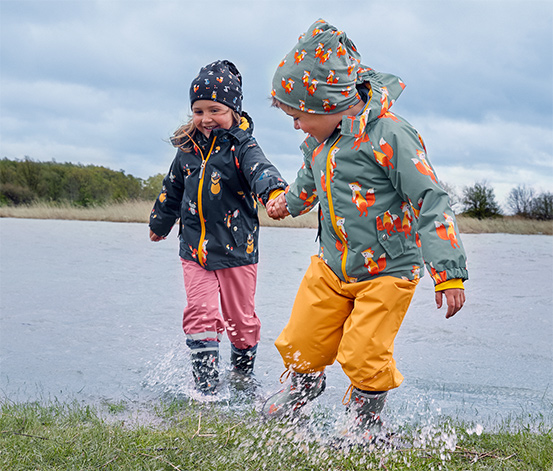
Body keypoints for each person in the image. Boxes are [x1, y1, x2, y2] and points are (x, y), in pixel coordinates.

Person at [264, 20, 468, 440]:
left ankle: (366, 422)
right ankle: (303, 389)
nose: (297, 126)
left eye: (299, 117)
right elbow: (311, 177)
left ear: (328, 105)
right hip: (333, 263)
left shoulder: (391, 135)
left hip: (388, 269)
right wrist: (290, 201)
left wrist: (447, 271)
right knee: (302, 338)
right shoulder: (322, 141)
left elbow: (430, 199)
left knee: (363, 351)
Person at [149, 60, 287, 395]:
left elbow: (261, 171)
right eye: (198, 111)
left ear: (234, 110)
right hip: (194, 251)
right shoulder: (186, 150)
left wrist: (274, 192)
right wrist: (160, 222)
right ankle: (206, 388)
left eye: (215, 109)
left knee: (241, 320)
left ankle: (242, 378)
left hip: (238, 250)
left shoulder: (243, 147)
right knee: (201, 312)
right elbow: (172, 190)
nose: (206, 119)